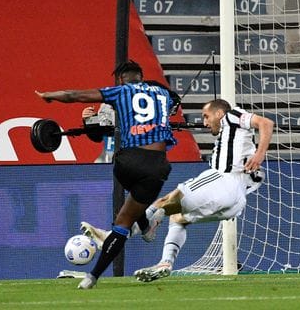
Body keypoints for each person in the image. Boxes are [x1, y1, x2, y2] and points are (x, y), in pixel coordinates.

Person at [82, 99, 274, 282]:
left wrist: (259, 155)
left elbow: (266, 123)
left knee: (165, 201)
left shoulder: (232, 115)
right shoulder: (232, 139)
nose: (204, 122)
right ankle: (166, 262)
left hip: (223, 179)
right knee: (178, 218)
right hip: (236, 202)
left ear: (219, 113)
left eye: (206, 116)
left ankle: (123, 233)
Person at [36, 60, 177, 289]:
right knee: (126, 219)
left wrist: (50, 95)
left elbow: (75, 96)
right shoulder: (162, 93)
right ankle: (141, 230)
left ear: (121, 79)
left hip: (127, 163)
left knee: (123, 220)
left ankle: (141, 227)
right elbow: (171, 104)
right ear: (141, 76)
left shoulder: (120, 91)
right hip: (157, 166)